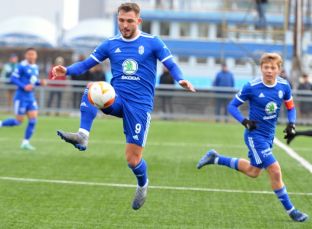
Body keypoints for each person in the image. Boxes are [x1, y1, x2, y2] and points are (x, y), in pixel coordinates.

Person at [52, 2, 195, 210]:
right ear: (117, 19)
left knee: (132, 159)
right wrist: (66, 70)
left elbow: (170, 64)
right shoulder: (110, 44)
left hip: (139, 107)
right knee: (93, 87)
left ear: (138, 21)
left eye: (129, 21)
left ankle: (142, 184)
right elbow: (85, 65)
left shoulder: (152, 42)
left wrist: (180, 79)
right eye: (121, 20)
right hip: (117, 99)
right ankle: (83, 135)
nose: (125, 25)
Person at [197, 53, 308, 222]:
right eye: (266, 67)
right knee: (275, 170)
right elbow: (232, 106)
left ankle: (215, 158)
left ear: (279, 69)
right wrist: (245, 121)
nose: (269, 71)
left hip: (269, 136)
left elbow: (291, 107)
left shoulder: (284, 86)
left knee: (253, 171)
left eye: (273, 68)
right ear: (261, 68)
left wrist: (292, 123)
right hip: (254, 136)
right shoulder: (252, 86)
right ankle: (292, 211)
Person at [0, 48, 46, 150]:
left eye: (32, 54)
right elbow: (13, 78)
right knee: (18, 121)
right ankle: (1, 123)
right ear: (26, 56)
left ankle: (25, 143)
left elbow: (32, 81)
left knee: (33, 120)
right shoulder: (22, 66)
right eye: (29, 54)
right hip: (21, 97)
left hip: (30, 97)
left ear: (36, 56)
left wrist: (40, 83)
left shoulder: (35, 67)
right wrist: (23, 86)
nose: (31, 56)